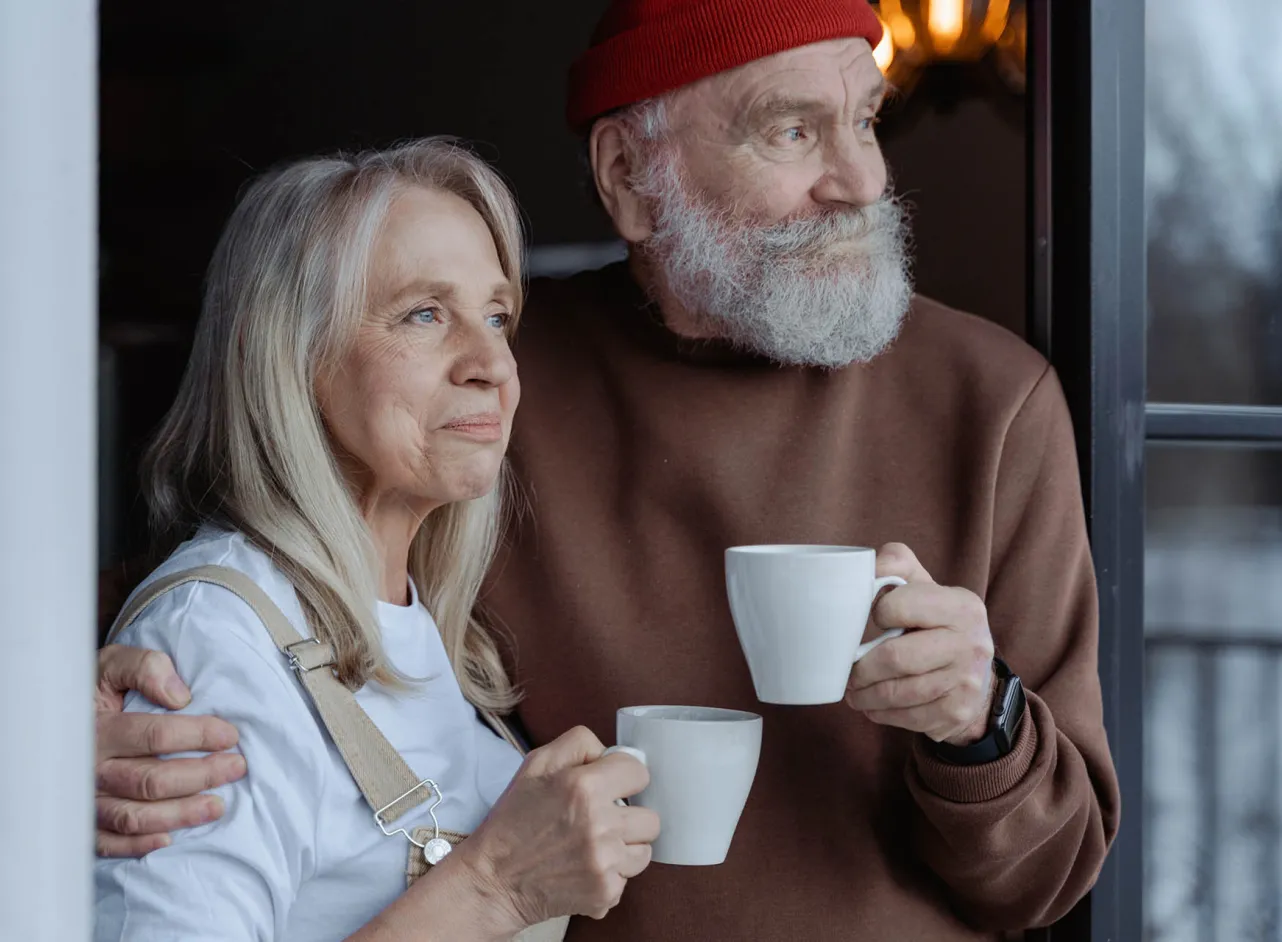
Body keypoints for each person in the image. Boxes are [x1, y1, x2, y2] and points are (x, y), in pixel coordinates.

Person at [94, 1, 1122, 939]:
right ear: (630, 176)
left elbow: (1046, 879)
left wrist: (978, 724)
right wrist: (62, 727)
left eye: (864, 121)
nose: (860, 180)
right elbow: (240, 590)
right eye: (793, 130)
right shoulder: (483, 397)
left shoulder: (992, 402)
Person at [92, 138, 659, 942]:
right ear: (294, 355)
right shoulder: (214, 647)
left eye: (497, 317)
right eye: (425, 314)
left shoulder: (417, 620)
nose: (492, 361)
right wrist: (493, 887)